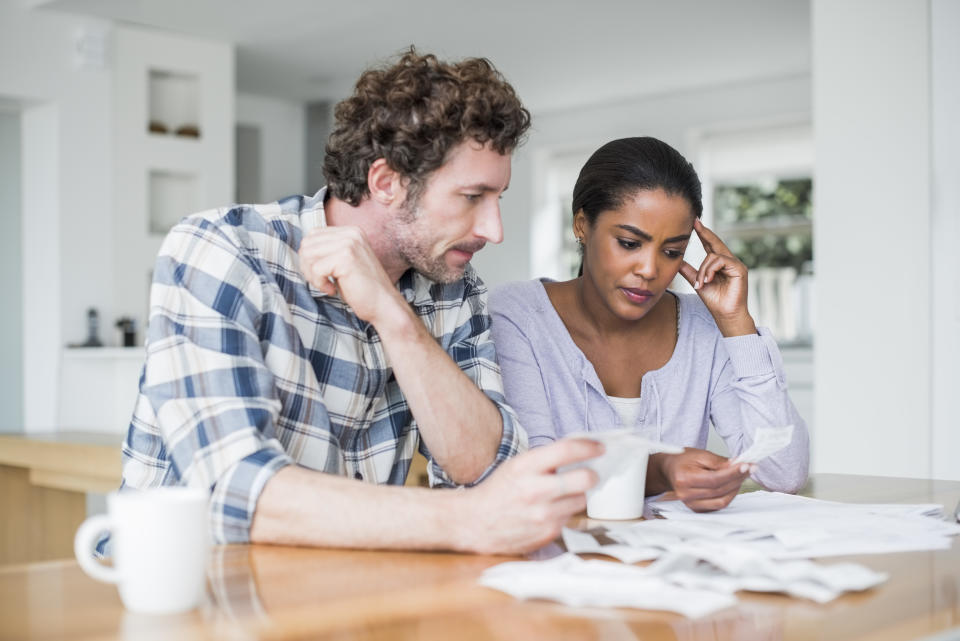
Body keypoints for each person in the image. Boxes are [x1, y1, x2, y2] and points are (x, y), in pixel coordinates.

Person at [114, 49, 602, 556]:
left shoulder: (454, 287)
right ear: (387, 182)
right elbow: (235, 491)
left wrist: (393, 315)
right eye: (471, 197)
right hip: (192, 591)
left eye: (497, 198)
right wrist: (464, 521)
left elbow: (485, 469)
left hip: (338, 591)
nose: (493, 230)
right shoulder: (223, 249)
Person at [490, 136, 809, 512]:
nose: (650, 270)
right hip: (555, 563)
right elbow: (531, 476)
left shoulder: (702, 327)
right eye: (628, 243)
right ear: (582, 225)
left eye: (672, 251)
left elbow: (784, 473)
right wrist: (657, 470)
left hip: (674, 563)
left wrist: (736, 322)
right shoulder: (518, 315)